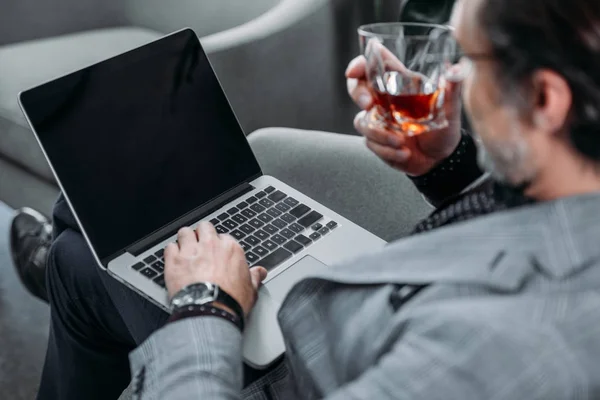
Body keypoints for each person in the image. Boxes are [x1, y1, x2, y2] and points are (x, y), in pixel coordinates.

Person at [10, 0, 600, 397]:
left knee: (83, 258)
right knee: (85, 249)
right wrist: (447, 165)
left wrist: (206, 305)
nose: (453, 82)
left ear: (546, 99)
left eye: (468, 60)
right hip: (359, 307)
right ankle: (73, 259)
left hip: (295, 372)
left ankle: (67, 274)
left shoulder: (495, 352)